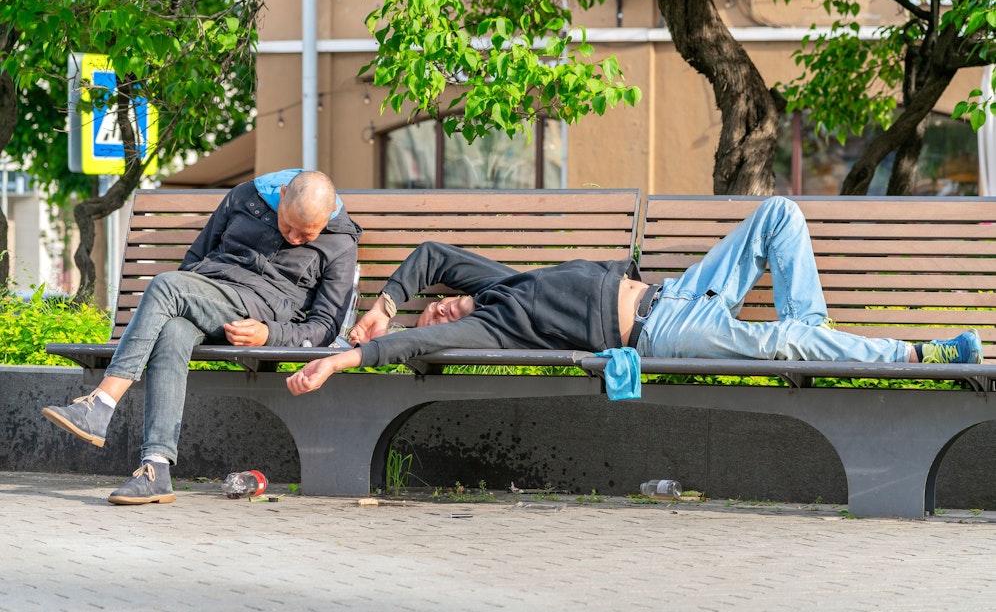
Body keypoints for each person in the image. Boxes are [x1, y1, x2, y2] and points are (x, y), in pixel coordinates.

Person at [285, 196, 982, 396]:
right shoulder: (497, 325)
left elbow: (434, 257)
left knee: (780, 214)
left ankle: (820, 341)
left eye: (434, 303)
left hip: (677, 294)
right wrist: (350, 355)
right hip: (661, 337)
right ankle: (920, 354)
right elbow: (415, 344)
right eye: (434, 316)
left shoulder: (493, 285)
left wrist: (386, 300)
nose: (434, 310)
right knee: (781, 342)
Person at [43, 169, 362, 505]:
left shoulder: (340, 242)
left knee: (166, 285)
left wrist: (271, 334)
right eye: (288, 227)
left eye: (307, 235)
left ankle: (102, 405)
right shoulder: (245, 197)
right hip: (211, 292)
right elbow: (197, 256)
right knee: (173, 328)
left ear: (327, 220)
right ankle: (157, 469)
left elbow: (325, 326)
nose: (295, 238)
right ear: (281, 194)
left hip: (261, 311)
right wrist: (185, 300)